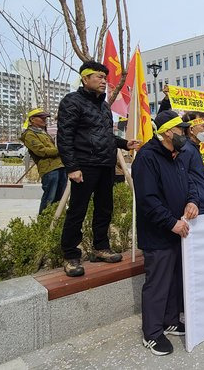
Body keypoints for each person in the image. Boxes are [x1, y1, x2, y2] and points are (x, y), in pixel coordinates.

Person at [57, 61, 140, 277]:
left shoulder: (104, 106)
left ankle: (100, 247)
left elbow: (105, 136)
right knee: (78, 210)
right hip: (84, 166)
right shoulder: (71, 102)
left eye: (105, 77)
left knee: (105, 208)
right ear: (85, 79)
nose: (104, 81)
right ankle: (70, 255)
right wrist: (72, 167)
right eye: (99, 77)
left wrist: (124, 144)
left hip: (105, 165)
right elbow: (64, 137)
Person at [132, 110, 199, 356]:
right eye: (182, 130)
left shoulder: (176, 155)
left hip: (177, 231)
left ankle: (171, 320)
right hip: (159, 234)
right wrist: (171, 222)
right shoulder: (147, 158)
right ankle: (151, 333)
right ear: (168, 132)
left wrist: (193, 201)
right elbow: (148, 200)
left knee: (174, 280)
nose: (186, 133)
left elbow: (189, 184)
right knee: (158, 284)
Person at [20, 108, 67, 213]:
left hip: (60, 166)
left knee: (60, 198)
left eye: (45, 117)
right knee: (49, 197)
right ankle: (44, 222)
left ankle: (55, 222)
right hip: (49, 169)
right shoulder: (29, 134)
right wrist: (60, 151)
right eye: (41, 118)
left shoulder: (43, 132)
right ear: (32, 119)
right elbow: (40, 151)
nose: (44, 119)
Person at [181, 111, 204, 214]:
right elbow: (184, 177)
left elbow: (195, 175)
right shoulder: (186, 149)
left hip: (202, 204)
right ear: (191, 129)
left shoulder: (193, 148)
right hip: (196, 207)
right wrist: (192, 201)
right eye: (202, 126)